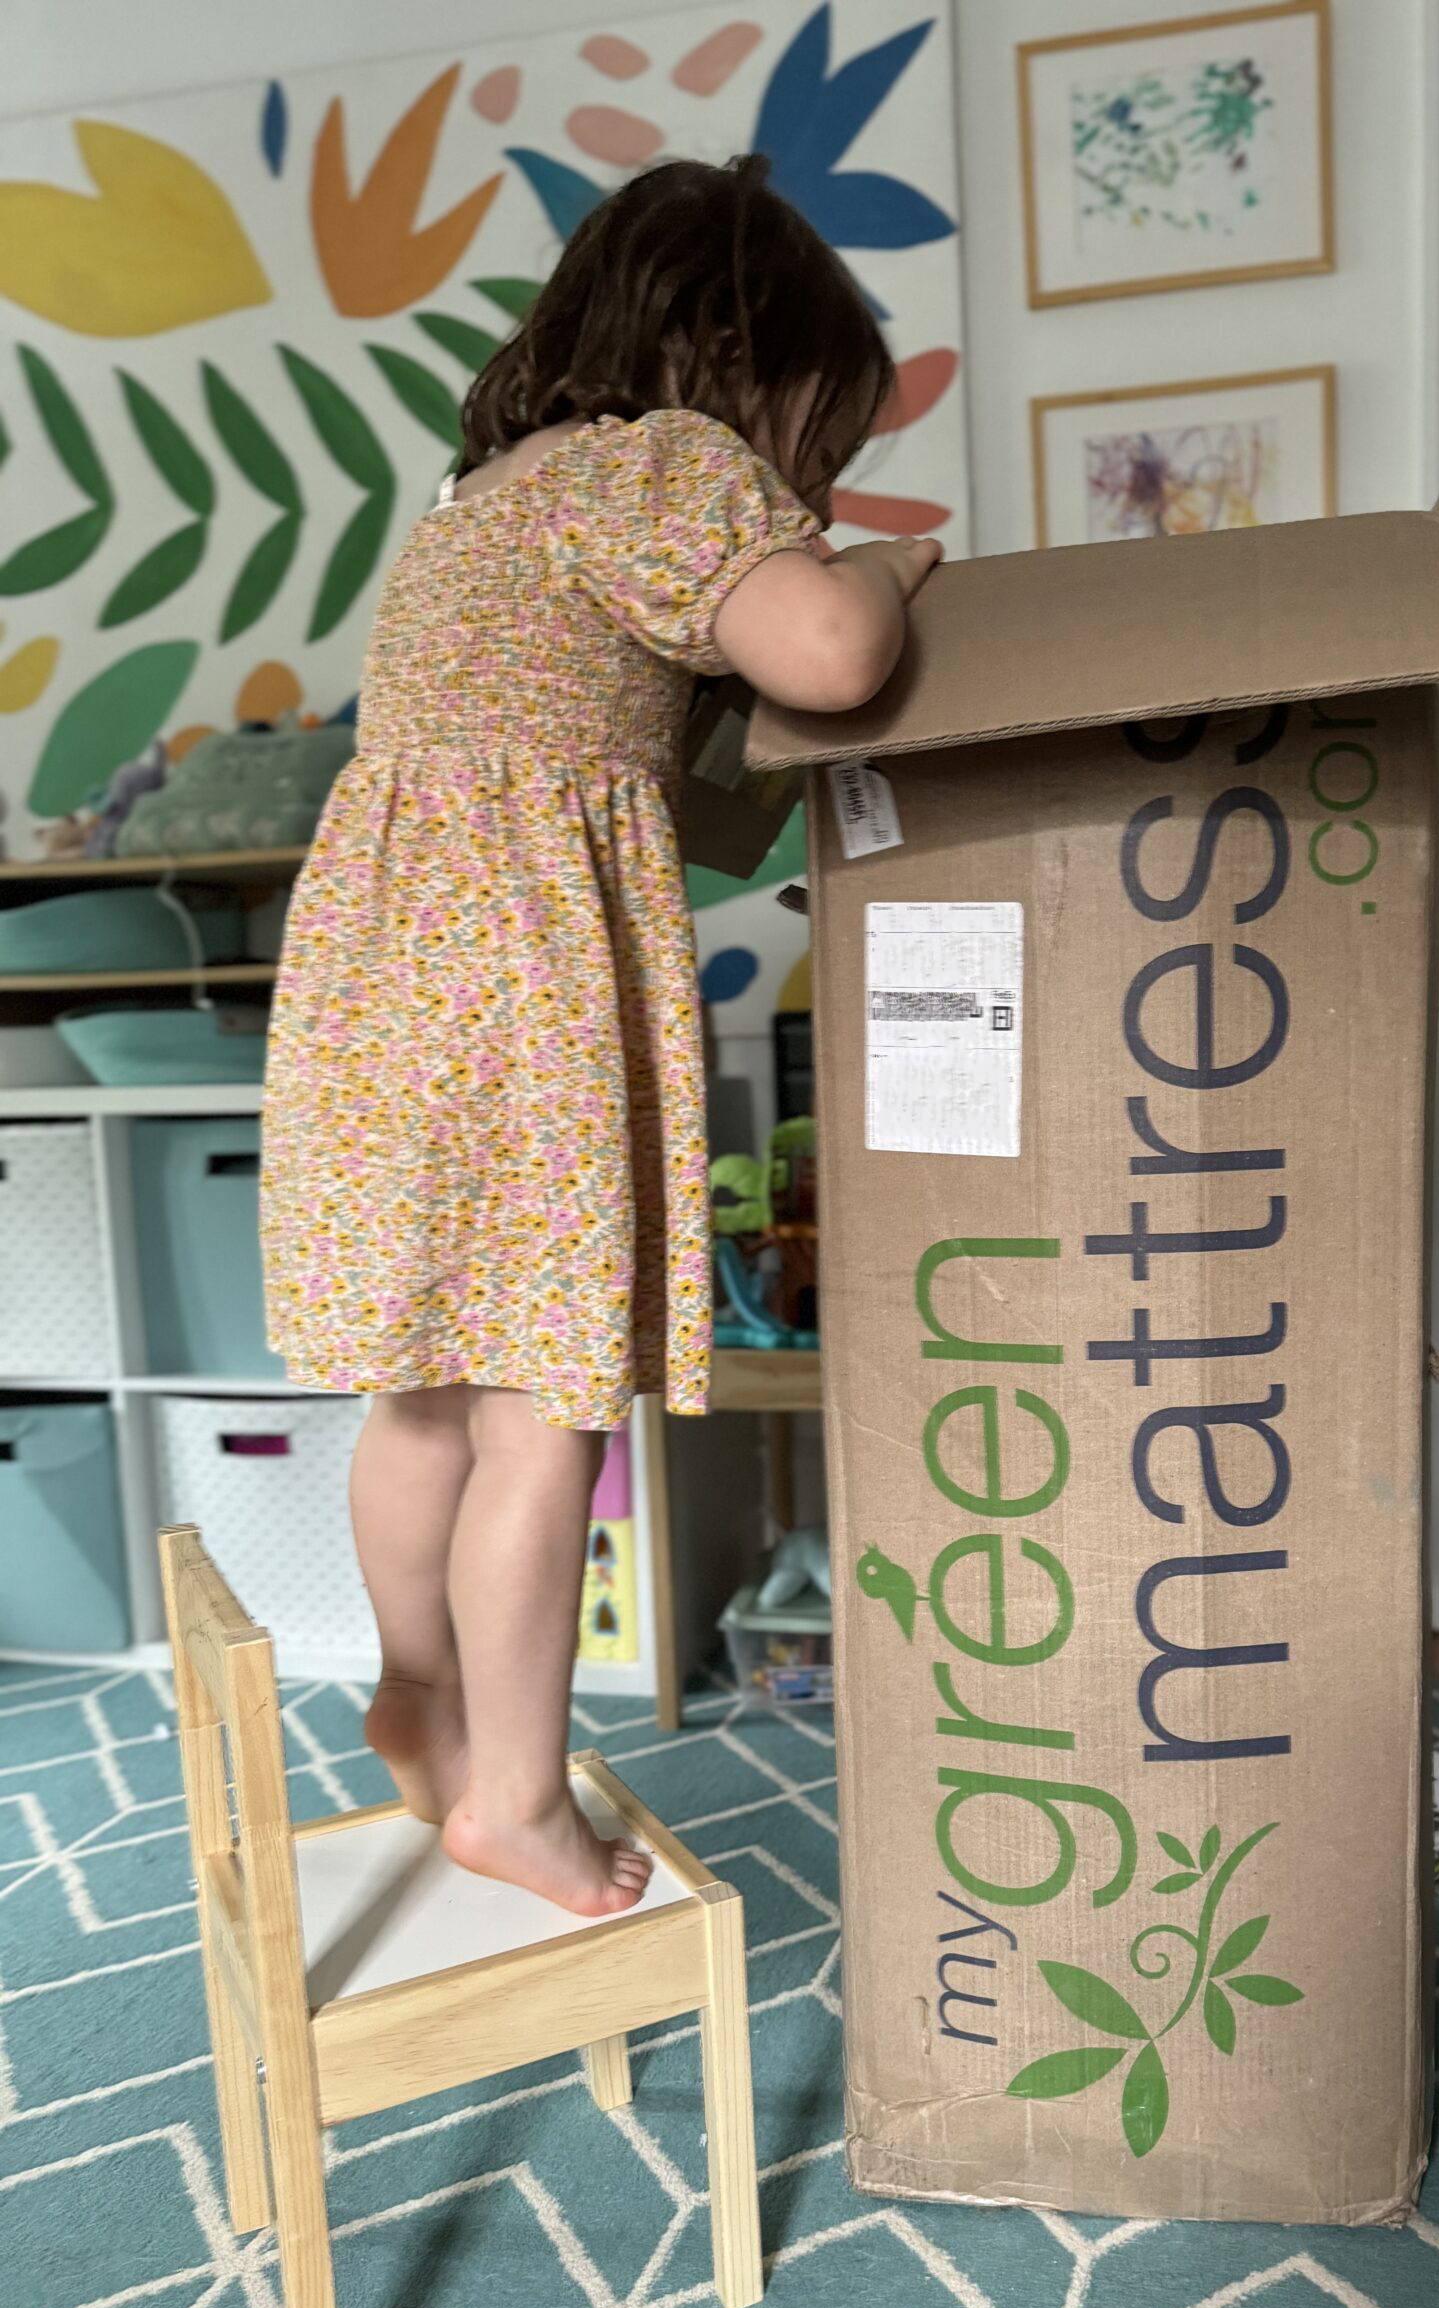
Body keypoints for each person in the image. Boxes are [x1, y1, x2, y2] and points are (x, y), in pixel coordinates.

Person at [260, 156, 939, 1915]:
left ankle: (421, 1698)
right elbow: (833, 653)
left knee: (424, 1397)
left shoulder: (489, 499)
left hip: (380, 997)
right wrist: (893, 563)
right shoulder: (664, 467)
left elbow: (682, 770)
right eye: (814, 440)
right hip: (515, 995)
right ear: (735, 360)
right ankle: (514, 1792)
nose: (810, 485)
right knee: (551, 1420)